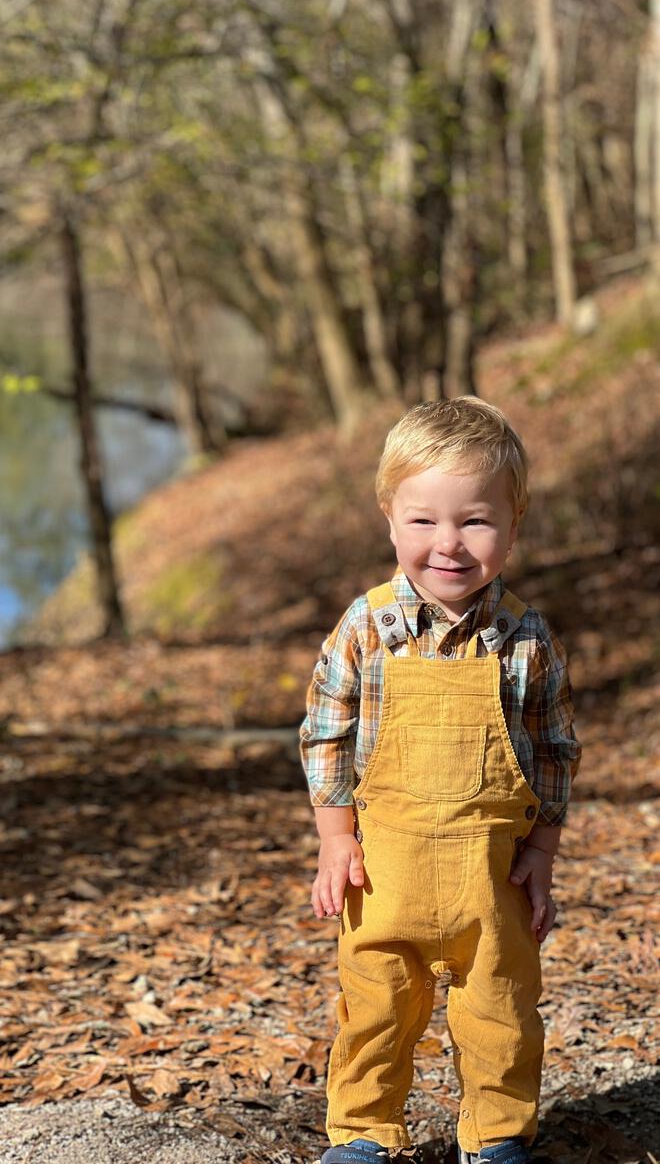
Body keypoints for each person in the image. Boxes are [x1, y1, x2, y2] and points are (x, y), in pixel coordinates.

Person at [299, 398, 581, 1164]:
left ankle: (495, 1137)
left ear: (514, 525)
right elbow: (326, 730)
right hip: (382, 874)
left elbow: (555, 751)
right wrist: (335, 840)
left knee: (502, 1015)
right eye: (424, 522)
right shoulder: (365, 628)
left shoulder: (527, 638)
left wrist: (543, 854)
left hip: (491, 881)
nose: (448, 544)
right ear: (391, 519)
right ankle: (362, 1131)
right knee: (375, 1009)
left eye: (476, 522)